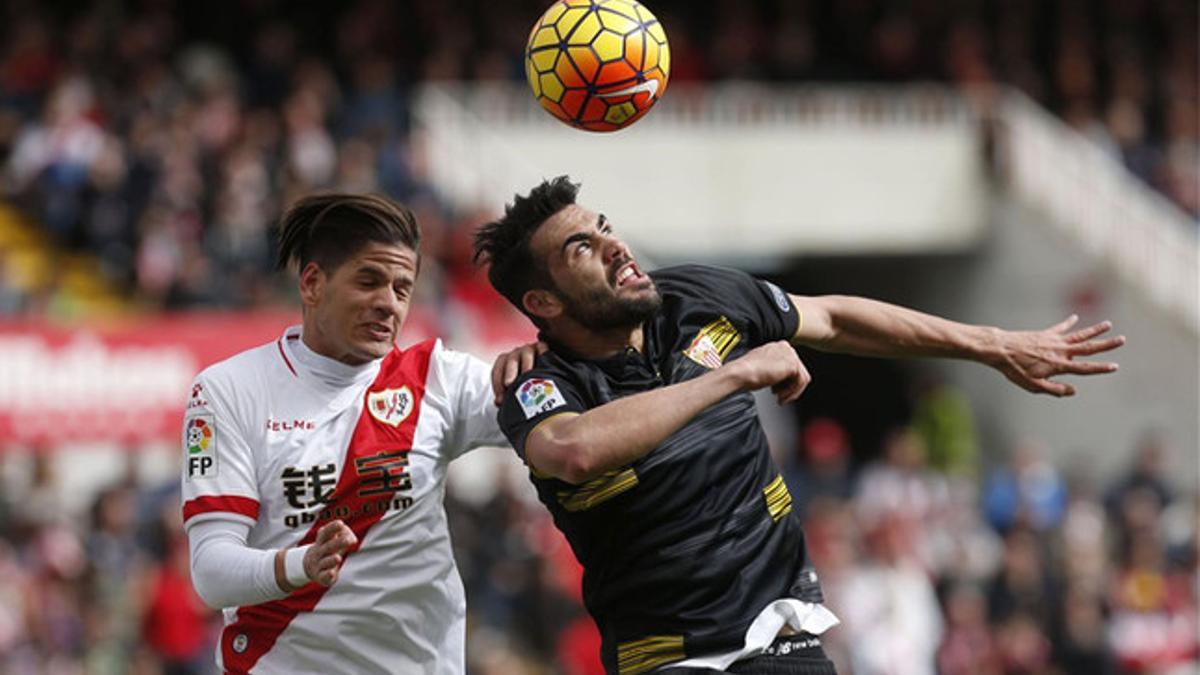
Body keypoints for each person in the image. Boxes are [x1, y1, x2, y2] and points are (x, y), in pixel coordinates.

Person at [472, 176, 1125, 675]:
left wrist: (992, 344)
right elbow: (574, 449)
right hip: (671, 657)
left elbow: (836, 319)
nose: (616, 245)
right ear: (543, 302)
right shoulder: (538, 383)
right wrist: (732, 376)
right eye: (583, 246)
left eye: (606, 226)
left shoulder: (698, 298)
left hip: (785, 637)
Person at [181, 193, 537, 674]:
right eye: (368, 281)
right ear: (311, 283)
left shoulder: (437, 379)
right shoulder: (230, 390)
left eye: (402, 288)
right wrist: (301, 565)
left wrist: (545, 374)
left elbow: (562, 427)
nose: (388, 304)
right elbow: (212, 573)